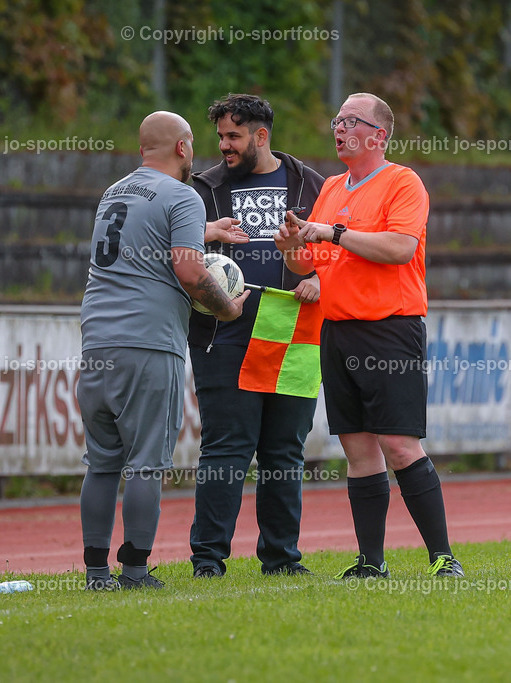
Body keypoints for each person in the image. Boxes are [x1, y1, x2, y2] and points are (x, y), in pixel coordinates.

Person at [274, 92, 464, 578]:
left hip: (390, 330)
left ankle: (444, 558)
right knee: (358, 450)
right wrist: (293, 246)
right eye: (336, 120)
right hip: (337, 330)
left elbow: (400, 248)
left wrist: (330, 232)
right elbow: (306, 264)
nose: (339, 128)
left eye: (351, 121)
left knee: (400, 445)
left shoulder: (403, 181)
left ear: (379, 136)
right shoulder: (333, 188)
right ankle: (370, 562)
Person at [79, 111, 248, 590]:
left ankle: (96, 572)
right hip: (149, 341)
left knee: (102, 461)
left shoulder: (113, 193)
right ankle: (134, 569)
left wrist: (205, 231)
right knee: (146, 463)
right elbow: (191, 273)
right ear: (182, 148)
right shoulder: (183, 195)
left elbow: (144, 243)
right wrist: (228, 312)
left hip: (98, 340)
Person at [188, 94, 326, 578]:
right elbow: (178, 250)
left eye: (234, 137)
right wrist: (208, 237)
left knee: (284, 451)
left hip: (293, 331)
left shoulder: (313, 185)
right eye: (221, 137)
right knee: (226, 448)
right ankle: (208, 560)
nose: (224, 146)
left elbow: (337, 252)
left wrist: (319, 278)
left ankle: (282, 560)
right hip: (223, 334)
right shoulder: (202, 188)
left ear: (261, 136)